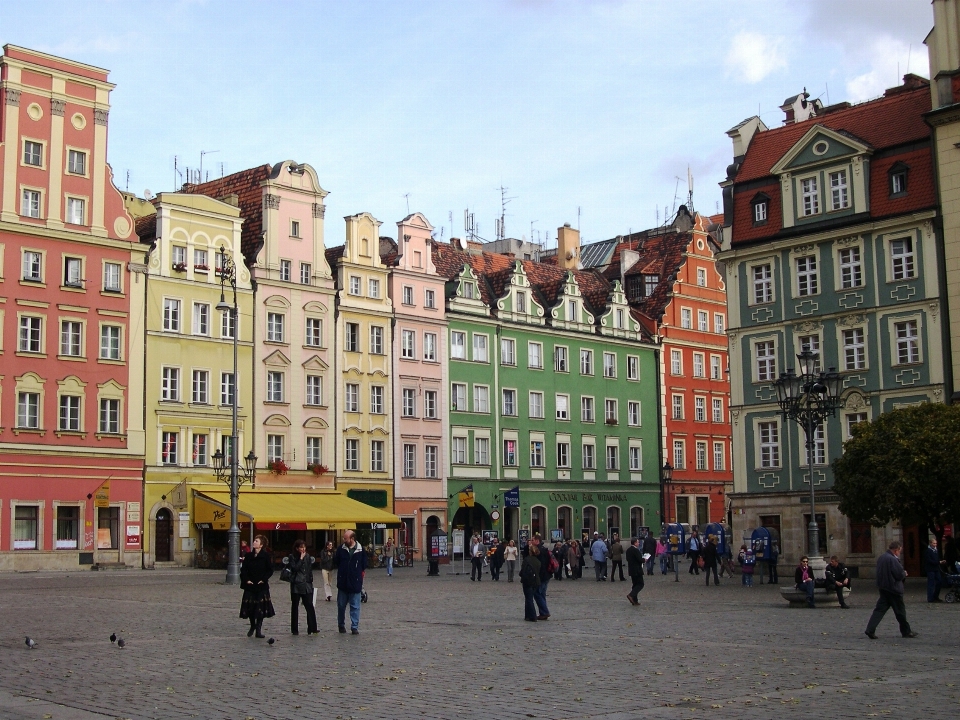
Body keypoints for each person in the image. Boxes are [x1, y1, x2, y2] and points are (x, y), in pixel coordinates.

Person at [865, 540, 916, 639]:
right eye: (899, 551)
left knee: (879, 610)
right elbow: (898, 574)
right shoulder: (892, 559)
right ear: (896, 550)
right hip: (894, 589)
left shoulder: (882, 557)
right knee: (900, 611)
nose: (899, 553)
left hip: (883, 588)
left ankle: (870, 629)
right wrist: (904, 573)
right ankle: (906, 631)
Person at [239, 535, 275, 638]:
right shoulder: (249, 555)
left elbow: (270, 569)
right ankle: (252, 625)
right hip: (250, 585)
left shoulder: (265, 556)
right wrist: (246, 579)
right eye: (254, 541)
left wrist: (263, 580)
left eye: (256, 541)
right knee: (250, 607)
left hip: (261, 585)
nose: (254, 542)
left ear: (261, 545)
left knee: (260, 608)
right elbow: (244, 569)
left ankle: (258, 629)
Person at [335, 530, 367, 635]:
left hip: (355, 582)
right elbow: (336, 561)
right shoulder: (341, 549)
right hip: (343, 582)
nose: (344, 540)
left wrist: (358, 574)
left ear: (352, 539)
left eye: (345, 538)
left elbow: (364, 564)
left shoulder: (360, 550)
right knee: (341, 605)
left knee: (355, 606)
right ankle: (341, 625)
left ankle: (354, 627)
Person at [287, 540, 318, 635]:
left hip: (306, 584)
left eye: (304, 547)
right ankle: (294, 629)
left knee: (309, 605)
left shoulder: (308, 556)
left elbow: (309, 570)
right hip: (296, 584)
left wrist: (310, 581)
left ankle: (312, 627)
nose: (303, 549)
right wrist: (300, 558)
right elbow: (295, 568)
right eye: (301, 547)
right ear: (297, 548)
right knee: (295, 607)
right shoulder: (292, 557)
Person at [531, 536, 552, 620]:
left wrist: (538, 576)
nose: (531, 541)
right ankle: (543, 613)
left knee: (537, 594)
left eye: (532, 540)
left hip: (542, 576)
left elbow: (541, 565)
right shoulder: (544, 549)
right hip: (547, 575)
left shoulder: (539, 551)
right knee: (542, 594)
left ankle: (545, 612)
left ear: (537, 541)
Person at [520, 544, 541, 621]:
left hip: (528, 581)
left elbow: (523, 570)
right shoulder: (538, 561)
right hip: (536, 581)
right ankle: (527, 615)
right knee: (529, 598)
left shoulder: (527, 559)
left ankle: (532, 615)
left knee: (529, 599)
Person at [625, 537, 645, 605]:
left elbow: (627, 559)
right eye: (638, 542)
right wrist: (644, 560)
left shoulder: (628, 550)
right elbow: (639, 559)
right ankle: (631, 595)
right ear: (635, 543)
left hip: (631, 569)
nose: (638, 543)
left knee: (635, 584)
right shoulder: (635, 550)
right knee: (640, 584)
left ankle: (635, 600)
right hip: (637, 570)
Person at [923, 537, 943, 603]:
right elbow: (928, 560)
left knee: (939, 581)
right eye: (934, 543)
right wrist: (938, 562)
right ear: (931, 543)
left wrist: (940, 561)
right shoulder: (928, 551)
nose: (935, 545)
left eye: (936, 543)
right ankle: (930, 598)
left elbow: (937, 558)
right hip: (930, 569)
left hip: (936, 569)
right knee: (931, 583)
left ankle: (936, 596)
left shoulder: (936, 550)